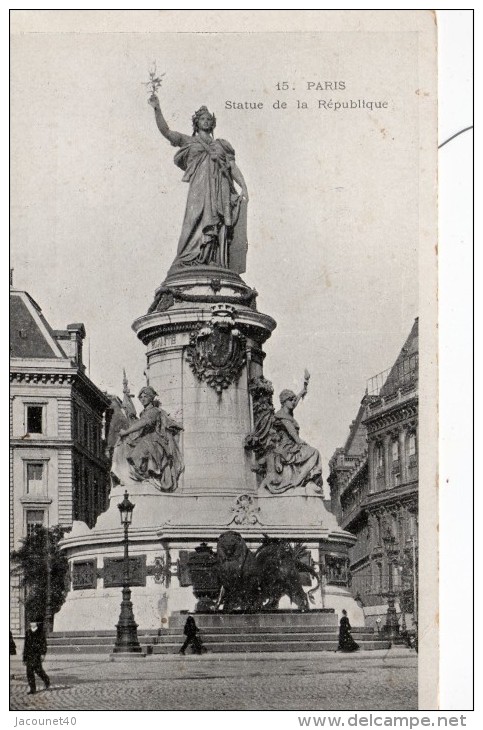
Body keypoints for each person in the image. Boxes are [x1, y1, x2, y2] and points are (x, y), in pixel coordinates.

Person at [148, 93, 249, 272]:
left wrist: (244, 186)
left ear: (212, 123)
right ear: (196, 122)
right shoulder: (190, 141)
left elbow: (233, 167)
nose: (206, 121)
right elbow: (167, 132)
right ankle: (188, 258)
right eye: (202, 119)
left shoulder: (222, 145)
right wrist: (157, 109)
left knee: (218, 225)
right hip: (199, 190)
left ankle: (215, 261)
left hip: (221, 190)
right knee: (193, 221)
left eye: (209, 119)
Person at [261, 377, 323, 493]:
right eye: (291, 400)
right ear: (284, 402)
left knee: (313, 452)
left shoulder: (287, 412)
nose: (293, 402)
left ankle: (307, 480)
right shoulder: (282, 416)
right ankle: (301, 481)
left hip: (291, 446)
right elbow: (293, 433)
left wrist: (303, 389)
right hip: (287, 448)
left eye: (294, 400)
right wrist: (301, 442)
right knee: (314, 452)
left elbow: (296, 401)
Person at [117, 386, 184, 492]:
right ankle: (139, 477)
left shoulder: (154, 411)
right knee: (128, 448)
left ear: (151, 398)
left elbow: (143, 423)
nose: (143, 399)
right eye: (141, 397)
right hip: (146, 439)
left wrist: (126, 432)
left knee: (137, 454)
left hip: (155, 440)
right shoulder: (144, 412)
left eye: (145, 396)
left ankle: (150, 477)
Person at [22, 621, 50, 694]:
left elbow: (44, 644)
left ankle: (46, 680)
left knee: (39, 671)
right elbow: (26, 646)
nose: (32, 624)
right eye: (31, 622)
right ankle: (32, 689)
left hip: (37, 655)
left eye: (34, 622)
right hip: (29, 655)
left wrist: (43, 654)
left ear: (37, 623)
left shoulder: (40, 632)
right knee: (29, 672)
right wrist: (24, 658)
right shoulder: (28, 632)